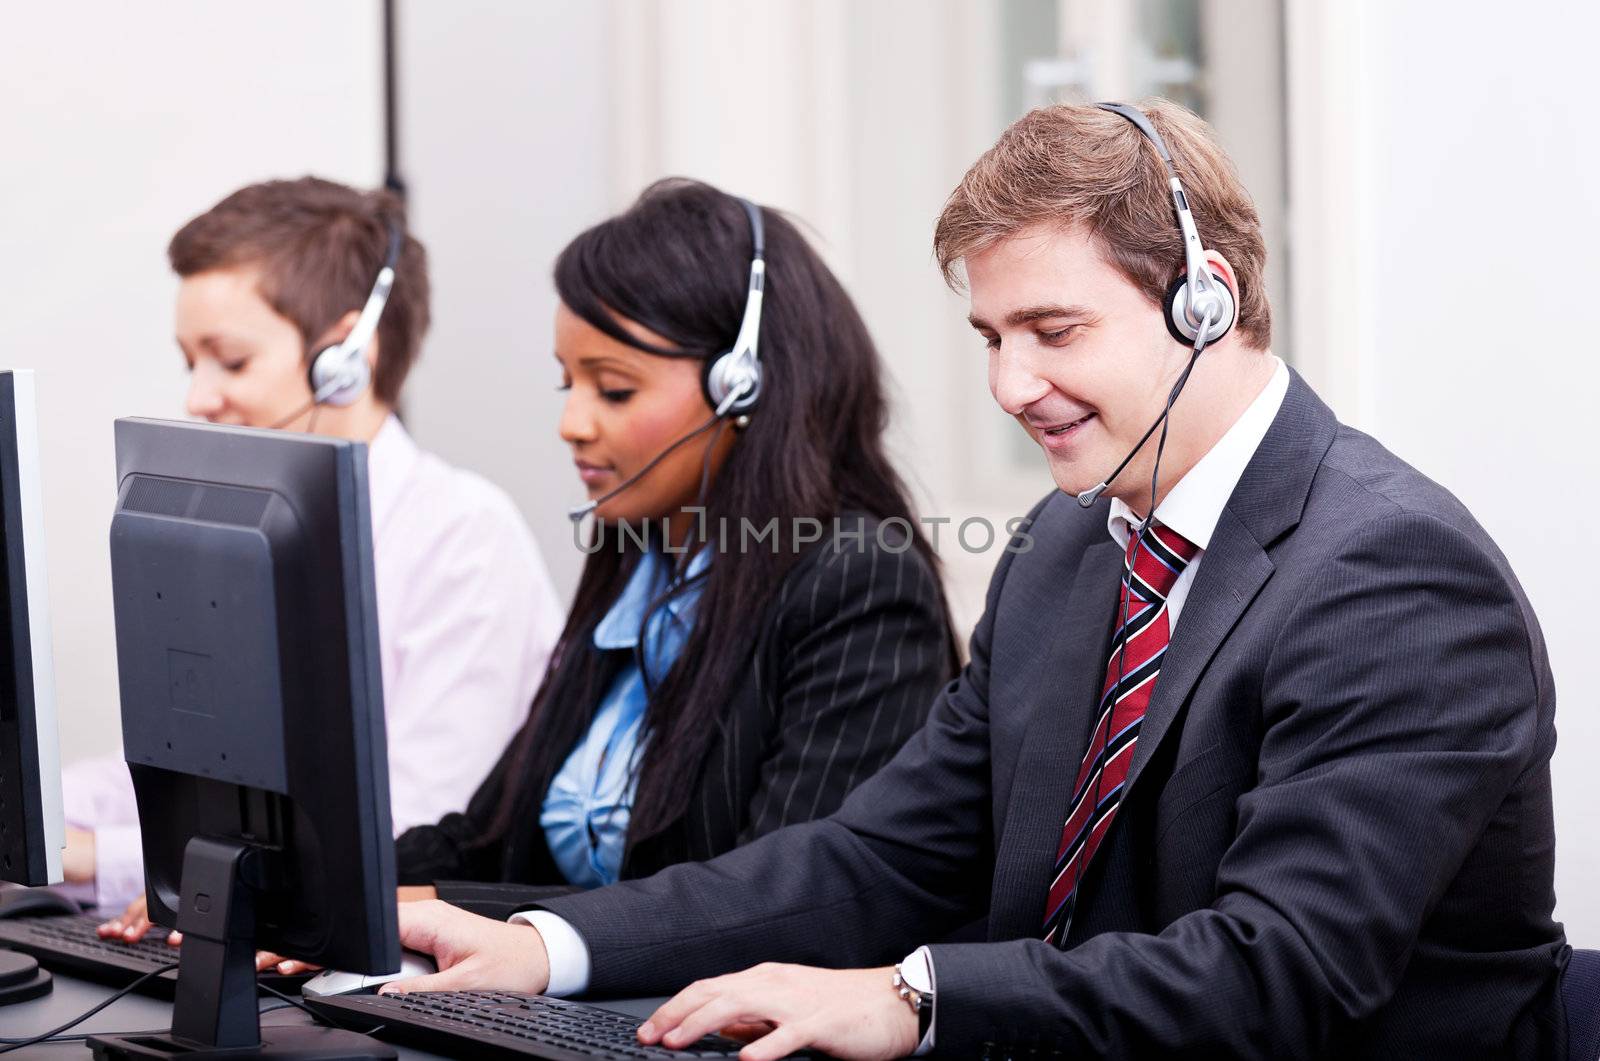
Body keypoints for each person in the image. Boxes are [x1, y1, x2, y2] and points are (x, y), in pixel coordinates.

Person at [382, 102, 1569, 1060]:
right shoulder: (1065, 548)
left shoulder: (1390, 572)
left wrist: (913, 995)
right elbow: (879, 856)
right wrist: (546, 942)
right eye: (990, 337)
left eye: (1053, 330)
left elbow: (1282, 969)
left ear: (1205, 299)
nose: (1011, 384)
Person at [376, 178, 959, 924]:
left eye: (613, 390)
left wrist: (460, 909)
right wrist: (327, 893)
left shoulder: (858, 583)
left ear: (741, 387)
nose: (572, 423)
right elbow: (487, 840)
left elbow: (780, 904)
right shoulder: (637, 554)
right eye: (567, 384)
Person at [66, 177, 564, 919]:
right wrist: (44, 821)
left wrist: (97, 858)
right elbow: (177, 772)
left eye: (230, 362)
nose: (198, 399)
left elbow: (411, 824)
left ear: (344, 362)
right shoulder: (241, 539)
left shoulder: (464, 538)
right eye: (189, 362)